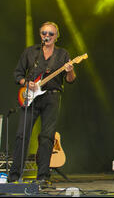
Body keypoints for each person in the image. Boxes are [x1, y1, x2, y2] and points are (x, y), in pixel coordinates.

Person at [8, 21, 76, 184]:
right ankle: (14, 176)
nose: (47, 36)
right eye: (44, 33)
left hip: (51, 98)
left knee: (47, 137)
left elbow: (70, 80)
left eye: (51, 34)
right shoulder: (31, 52)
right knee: (22, 135)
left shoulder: (62, 54)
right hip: (30, 97)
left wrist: (70, 70)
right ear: (40, 35)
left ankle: (43, 177)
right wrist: (26, 83)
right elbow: (17, 73)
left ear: (56, 36)